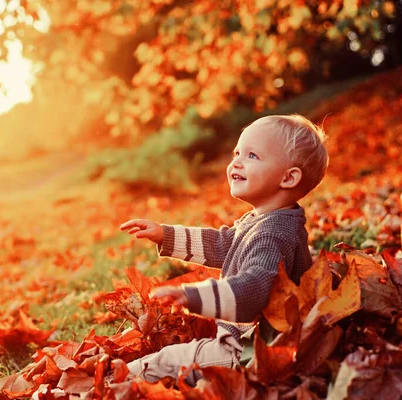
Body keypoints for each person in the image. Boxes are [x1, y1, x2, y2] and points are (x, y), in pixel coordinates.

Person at [119, 114, 329, 386]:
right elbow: (223, 244)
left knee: (164, 362)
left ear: (289, 178)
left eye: (252, 155)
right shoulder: (267, 221)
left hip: (249, 353)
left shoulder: (273, 235)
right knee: (175, 359)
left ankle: (110, 383)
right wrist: (164, 234)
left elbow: (253, 289)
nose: (236, 163)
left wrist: (191, 296)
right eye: (237, 152)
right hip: (251, 344)